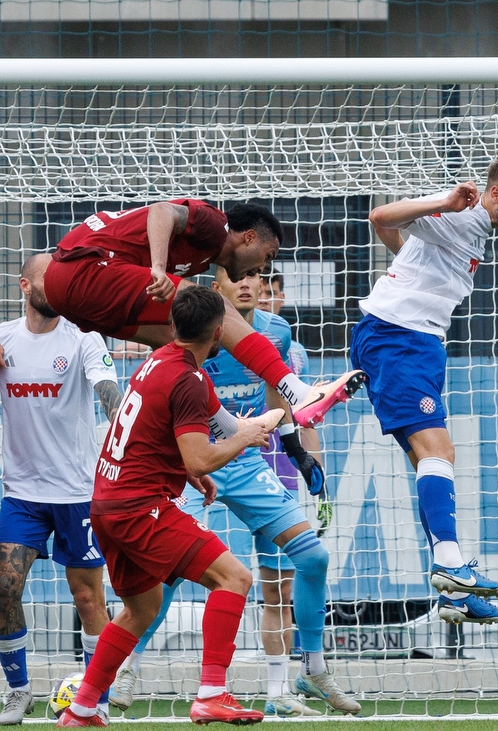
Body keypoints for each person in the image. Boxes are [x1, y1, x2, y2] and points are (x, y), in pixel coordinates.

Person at [108, 267, 351, 717]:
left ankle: (311, 670)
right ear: (216, 290)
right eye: (235, 276)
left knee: (313, 558)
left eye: (255, 275)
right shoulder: (187, 338)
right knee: (169, 574)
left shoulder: (277, 332)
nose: (248, 283)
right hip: (193, 461)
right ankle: (129, 667)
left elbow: (277, 399)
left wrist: (297, 451)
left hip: (245, 460)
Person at [56, 286, 298, 727]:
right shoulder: (189, 380)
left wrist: (193, 469)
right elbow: (204, 454)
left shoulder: (160, 361)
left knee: (141, 609)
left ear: (172, 326)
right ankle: (211, 694)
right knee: (235, 578)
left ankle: (82, 709)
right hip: (139, 507)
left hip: (107, 504)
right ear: (220, 332)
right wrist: (242, 440)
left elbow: (184, 435)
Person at [355, 154, 498, 624]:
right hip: (399, 337)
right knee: (439, 452)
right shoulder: (461, 213)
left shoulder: (474, 229)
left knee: (429, 462)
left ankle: (454, 592)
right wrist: (444, 200)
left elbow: (399, 240)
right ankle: (450, 567)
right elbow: (380, 217)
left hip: (410, 340)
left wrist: (405, 261)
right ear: (495, 193)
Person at [0, 254, 122, 725]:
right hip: (22, 494)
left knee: (87, 598)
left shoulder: (84, 338)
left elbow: (108, 391)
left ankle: (95, 697)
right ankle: (18, 692)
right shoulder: (0, 339)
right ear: (24, 285)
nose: (61, 286)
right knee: (6, 587)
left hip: (77, 492)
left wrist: (123, 422)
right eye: (50, 279)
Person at [34, 199, 360, 428]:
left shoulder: (203, 257)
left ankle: (223, 427)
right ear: (249, 237)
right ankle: (299, 392)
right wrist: (158, 268)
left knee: (180, 343)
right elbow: (161, 211)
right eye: (268, 255)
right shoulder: (215, 225)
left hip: (63, 291)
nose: (262, 268)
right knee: (213, 308)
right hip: (84, 269)